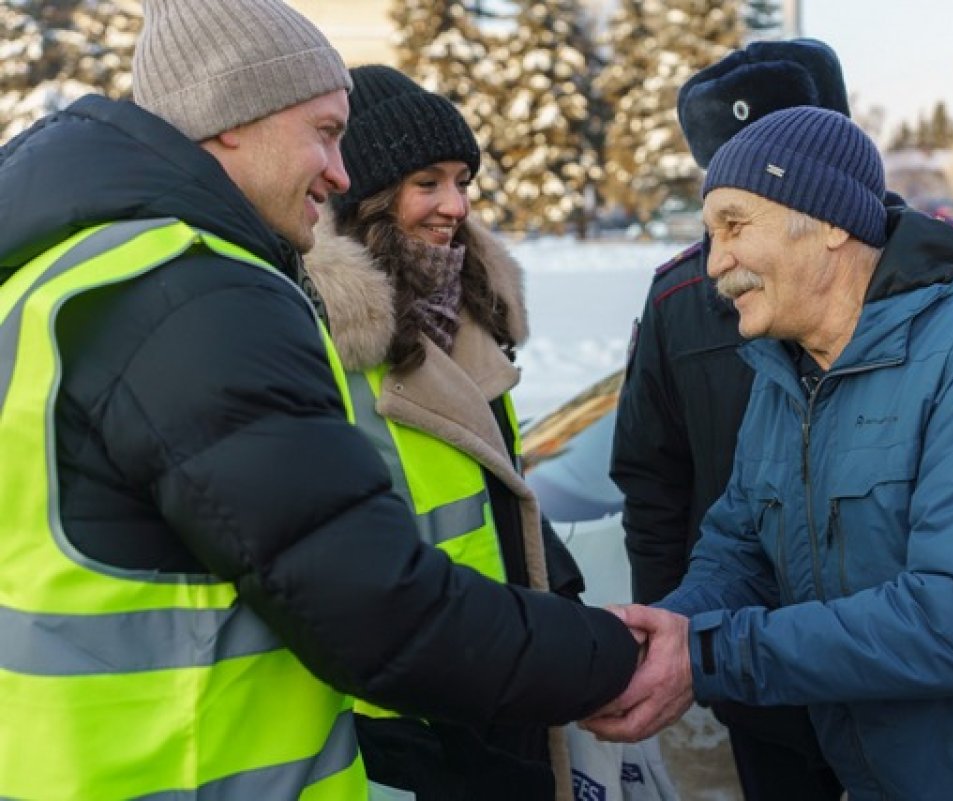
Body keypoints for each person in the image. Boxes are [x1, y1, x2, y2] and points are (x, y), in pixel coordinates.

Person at [0, 1, 637, 798]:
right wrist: (611, 655)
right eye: (326, 132)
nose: (339, 173)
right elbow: (373, 607)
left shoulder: (61, 275)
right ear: (233, 115)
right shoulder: (190, 291)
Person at [586, 106, 953, 800]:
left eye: (735, 225)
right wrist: (673, 629)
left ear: (831, 222)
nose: (716, 263)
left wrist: (708, 653)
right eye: (709, 234)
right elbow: (741, 549)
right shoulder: (784, 375)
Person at [304, 64, 585, 801]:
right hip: (401, 715)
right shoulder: (322, 331)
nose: (455, 206)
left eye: (462, 181)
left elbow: (495, 487)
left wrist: (559, 598)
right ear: (365, 188)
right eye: (428, 182)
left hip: (503, 671)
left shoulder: (468, 313)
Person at [609, 39, 849, 800]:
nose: (728, 256)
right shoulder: (682, 299)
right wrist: (676, 639)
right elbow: (655, 482)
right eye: (726, 214)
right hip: (755, 687)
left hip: (895, 682)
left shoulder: (937, 296)